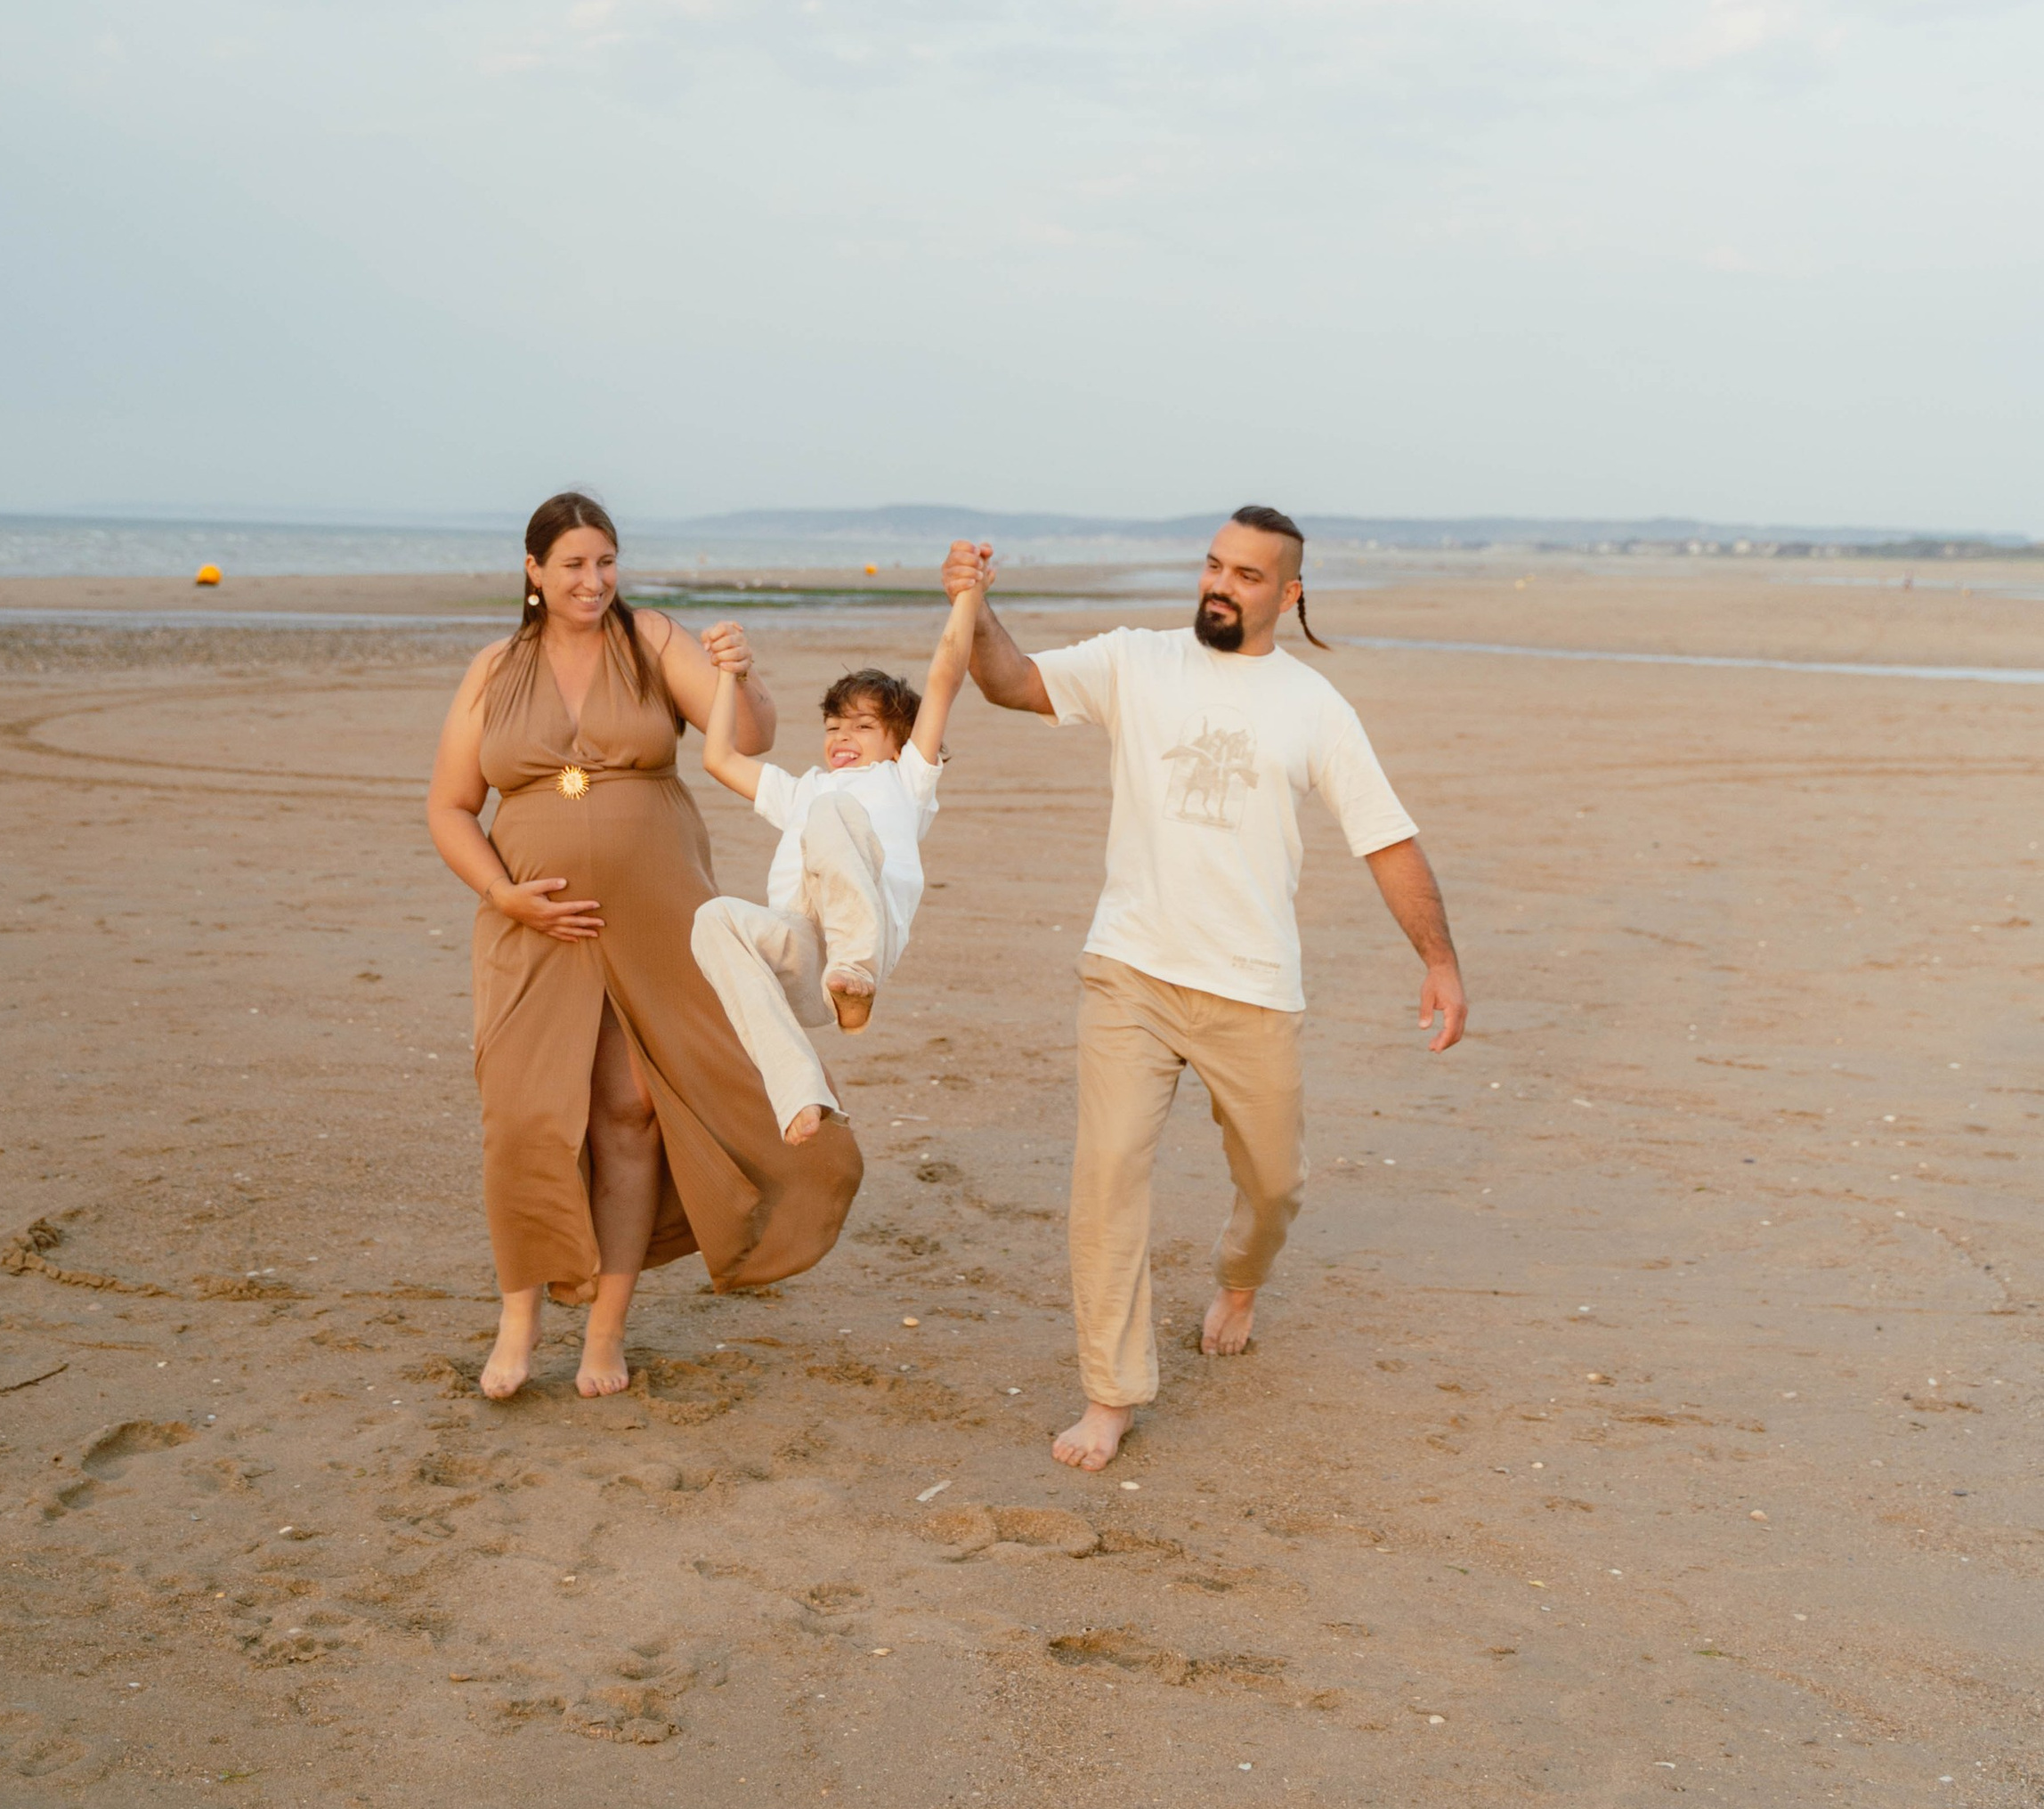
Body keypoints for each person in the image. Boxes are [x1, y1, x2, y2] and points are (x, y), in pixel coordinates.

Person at [941, 509, 1467, 1472]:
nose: (1221, 586)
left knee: (1273, 1184)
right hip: (1129, 971)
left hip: (1250, 987)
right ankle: (1110, 1394)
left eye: (1248, 575)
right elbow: (1011, 683)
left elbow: (1385, 837)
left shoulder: (1312, 706)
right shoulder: (1136, 661)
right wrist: (974, 608)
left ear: (1288, 593)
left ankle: (1238, 1278)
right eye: (1214, 566)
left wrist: (1438, 960)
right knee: (1105, 1178)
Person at [426, 491, 862, 1402]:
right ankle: (519, 1322)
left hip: (658, 912)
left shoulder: (653, 640)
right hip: (531, 923)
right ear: (533, 572)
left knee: (630, 1114)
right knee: (524, 1118)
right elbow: (450, 807)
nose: (594, 580)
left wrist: (743, 673)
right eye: (574, 564)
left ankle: (605, 1332)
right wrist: (504, 892)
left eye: (606, 562)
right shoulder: (494, 669)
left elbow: (744, 739)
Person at [691, 584, 979, 1142]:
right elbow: (718, 757)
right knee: (714, 917)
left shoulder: (905, 778)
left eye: (863, 726)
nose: (843, 735)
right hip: (805, 958)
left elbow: (945, 674)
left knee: (833, 812)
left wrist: (967, 594)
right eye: (833, 726)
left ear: (900, 745)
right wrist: (730, 675)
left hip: (865, 941)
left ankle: (857, 975)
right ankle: (797, 1088)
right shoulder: (805, 789)